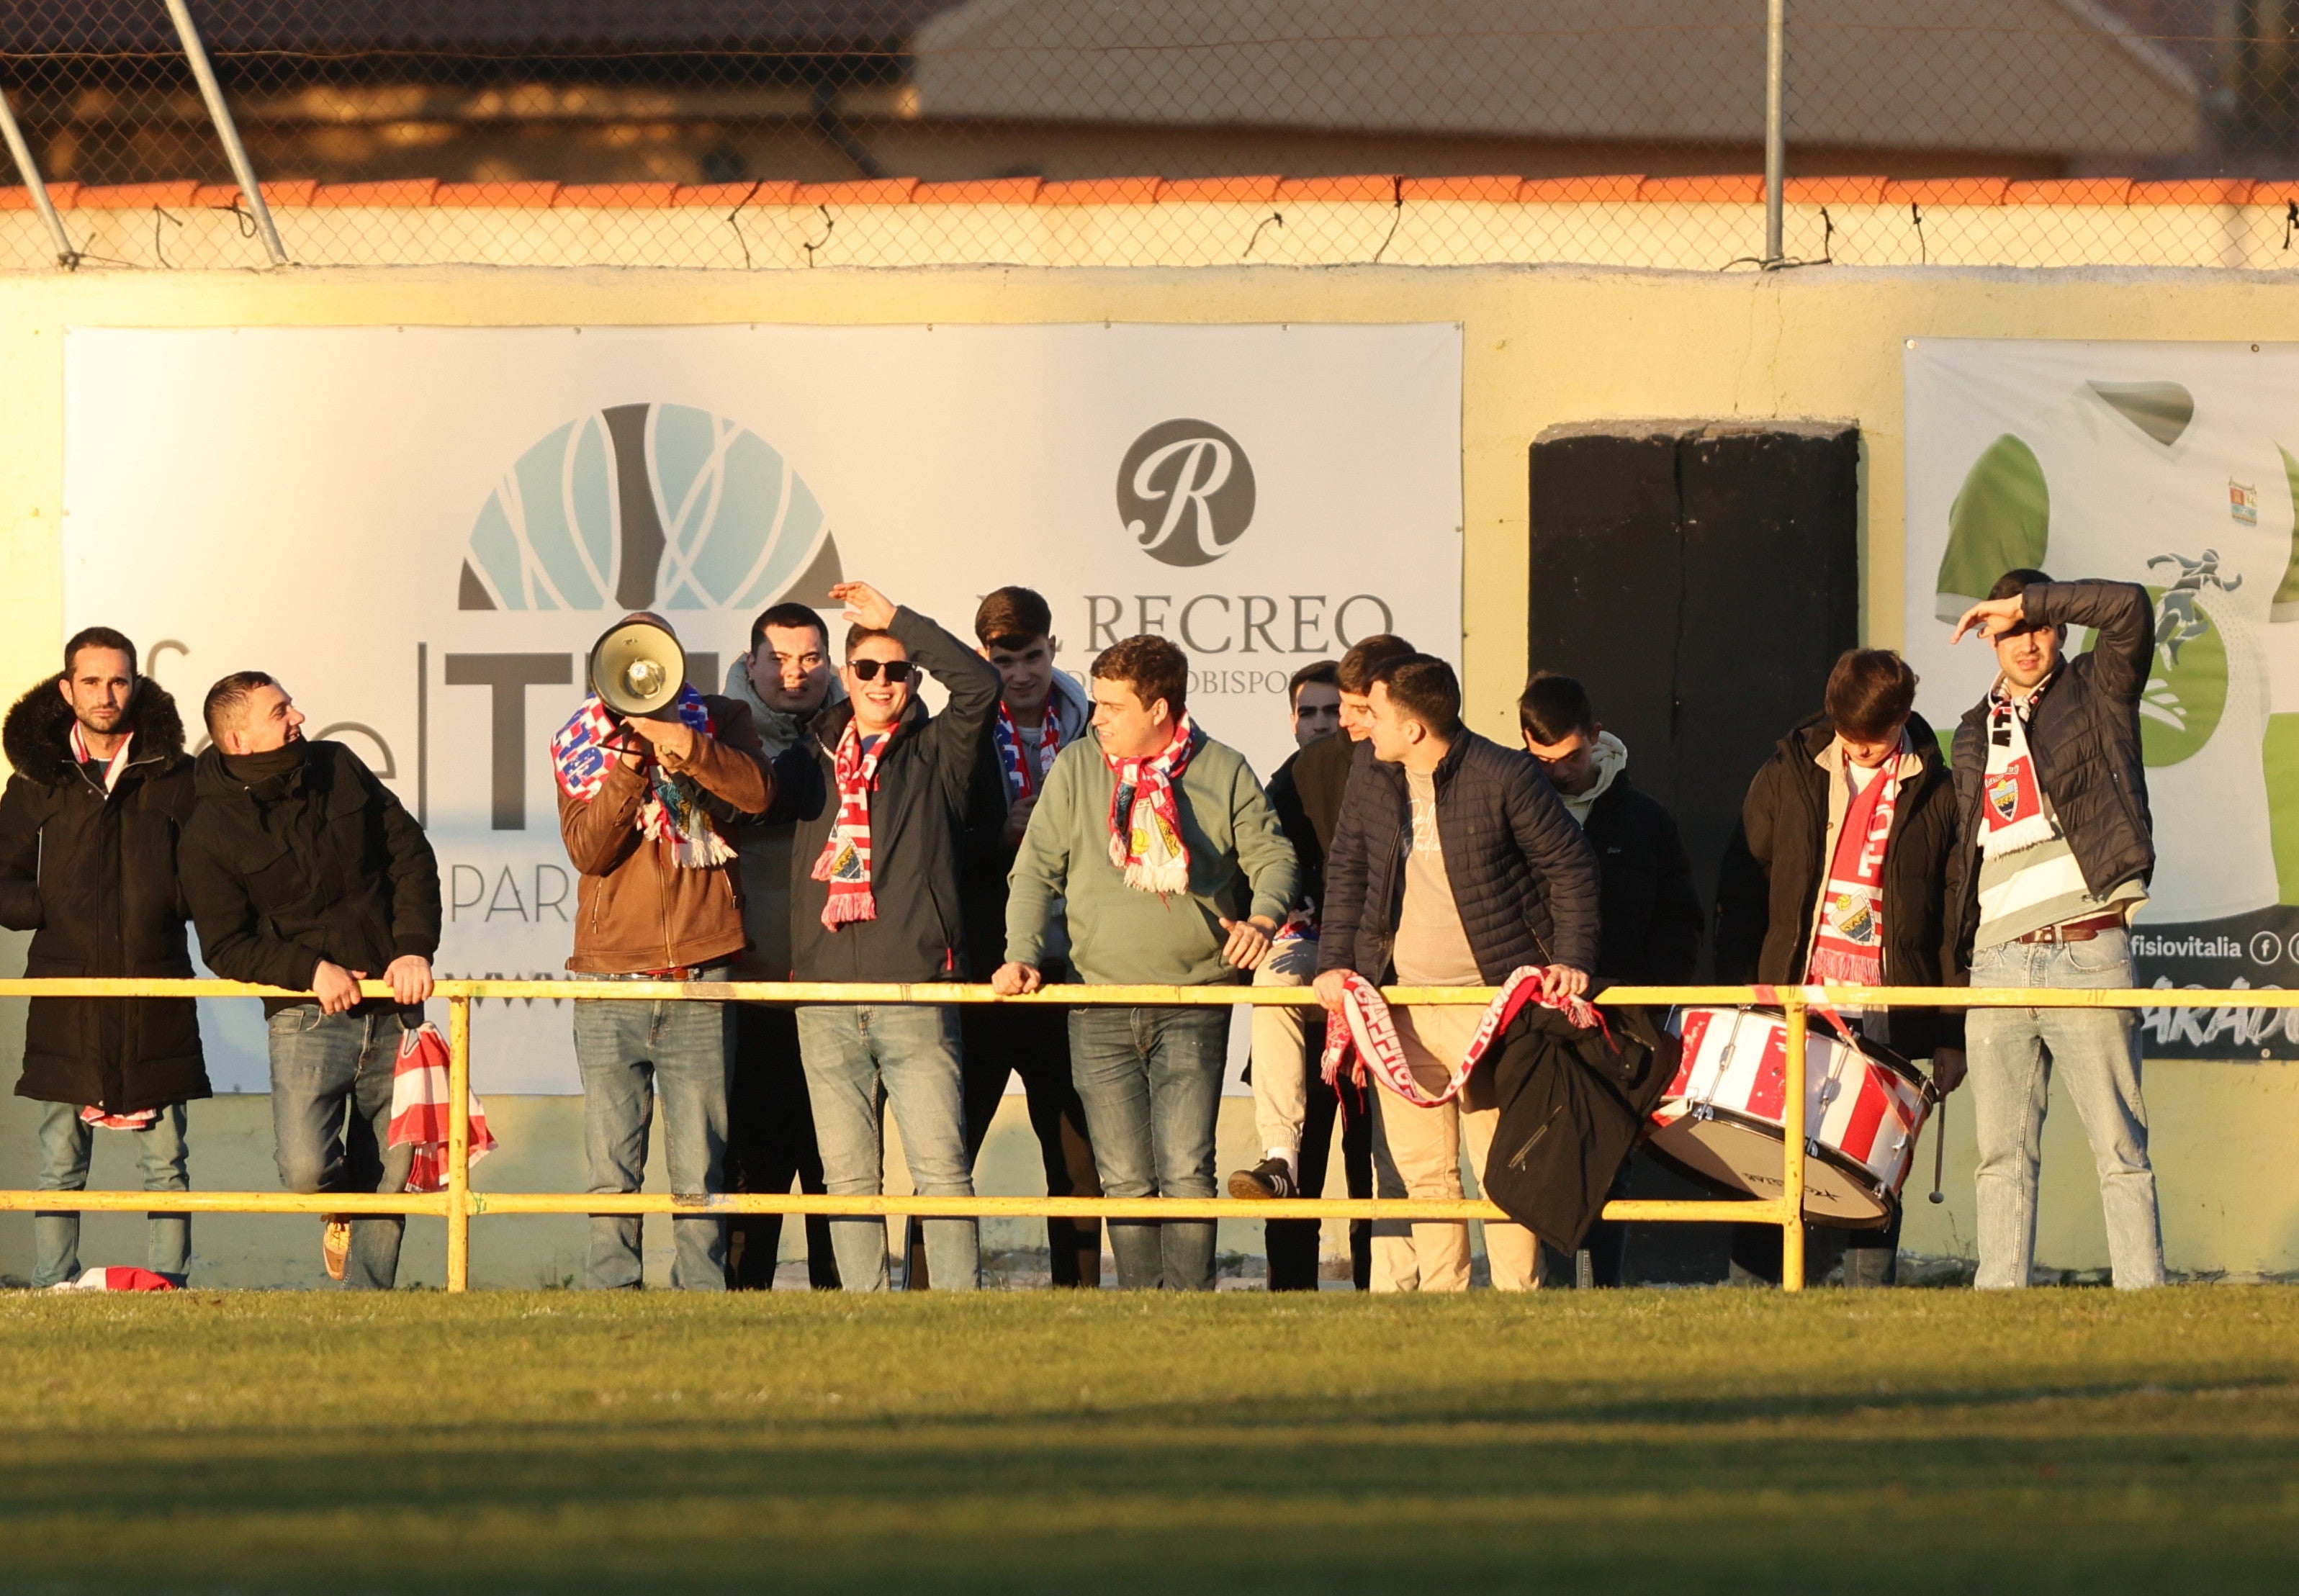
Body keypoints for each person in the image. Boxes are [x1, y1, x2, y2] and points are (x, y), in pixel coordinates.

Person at [996, 634, 1299, 1291]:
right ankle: (1141, 1305)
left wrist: (1263, 918)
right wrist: (1020, 954)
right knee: (1125, 1175)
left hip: (1195, 999)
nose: (1095, 716)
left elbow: (1274, 858)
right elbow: (1034, 872)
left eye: (1111, 705)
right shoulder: (1077, 767)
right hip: (1095, 1000)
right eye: (1096, 703)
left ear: (1159, 709)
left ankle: (1189, 1305)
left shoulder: (1221, 768)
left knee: (1187, 1166)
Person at [1313, 653, 1600, 1293]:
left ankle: (1515, 1299)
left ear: (1413, 728)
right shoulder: (1369, 770)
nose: (1361, 724)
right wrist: (1335, 962)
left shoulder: (1505, 774)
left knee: (1500, 1164)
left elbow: (1572, 867)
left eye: (1375, 713)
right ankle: (1445, 1301)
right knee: (1423, 1170)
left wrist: (1572, 960)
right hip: (1397, 1004)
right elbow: (1347, 872)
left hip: (1490, 1005)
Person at [1714, 649, 1966, 1289]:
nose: (1857, 748)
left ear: (1904, 718)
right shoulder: (1788, 769)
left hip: (1888, 1007)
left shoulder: (1940, 789)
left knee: (1874, 1171)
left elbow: (1952, 920)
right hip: (1792, 998)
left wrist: (1948, 1031)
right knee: (1768, 1152)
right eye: (1846, 735)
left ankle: (1867, 1308)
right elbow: (1742, 885)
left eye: (1872, 740)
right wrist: (1738, 991)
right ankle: (1750, 1299)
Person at [774, 582, 1000, 1293]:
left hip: (914, 991)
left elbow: (981, 685)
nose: (880, 683)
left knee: (940, 1171)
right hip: (825, 997)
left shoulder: (938, 752)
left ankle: (959, 1312)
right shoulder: (810, 755)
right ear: (845, 676)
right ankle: (863, 1314)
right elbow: (748, 792)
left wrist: (898, 621)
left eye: (896, 670)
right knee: (846, 1179)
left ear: (914, 679)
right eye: (866, 669)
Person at [181, 671, 438, 1291]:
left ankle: (367, 1303)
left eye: (291, 703)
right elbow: (224, 944)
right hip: (307, 1020)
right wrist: (310, 971)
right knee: (303, 1168)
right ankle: (336, 1204)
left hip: (393, 1005)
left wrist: (412, 950)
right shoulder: (206, 831)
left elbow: (410, 853)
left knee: (395, 1168)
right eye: (280, 710)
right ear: (240, 738)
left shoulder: (340, 765)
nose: (298, 715)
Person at [1946, 570, 2165, 1290]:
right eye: (2009, 632)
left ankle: (2144, 1302)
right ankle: (1999, 1310)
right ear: (1989, 642)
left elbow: (2129, 606)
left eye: (2037, 626)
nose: (2027, 642)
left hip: (2085, 946)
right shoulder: (1974, 727)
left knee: (2119, 1150)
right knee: (1999, 1156)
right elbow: (1963, 854)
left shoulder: (2098, 691)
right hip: (1997, 961)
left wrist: (2022, 601)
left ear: (2059, 627)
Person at [554, 612, 770, 1291]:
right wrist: (627, 767)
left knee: (699, 1159)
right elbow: (590, 850)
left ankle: (700, 1291)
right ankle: (612, 1288)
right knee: (611, 1159)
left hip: (700, 971)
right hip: (611, 976)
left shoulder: (723, 719)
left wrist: (688, 748)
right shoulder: (580, 741)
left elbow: (757, 797)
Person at [0, 628, 207, 1288]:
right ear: (67, 689)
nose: (105, 694)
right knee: (60, 1162)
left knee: (167, 1162)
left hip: (157, 985)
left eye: (118, 680)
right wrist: (48, 907)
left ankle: (170, 1284)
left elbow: (211, 872)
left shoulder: (177, 774)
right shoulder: (34, 779)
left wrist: (167, 899)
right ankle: (51, 1283)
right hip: (65, 989)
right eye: (91, 681)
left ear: (136, 684)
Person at [1519, 671, 1702, 1287]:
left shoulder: (1645, 820)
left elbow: (1680, 917)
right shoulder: (1509, 809)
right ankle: (1549, 1288)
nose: (1557, 771)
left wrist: (1642, 997)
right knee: (1546, 1155)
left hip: (1621, 1016)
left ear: (1595, 737)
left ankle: (1607, 1287)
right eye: (1541, 759)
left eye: (1569, 757)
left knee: (1612, 1158)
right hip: (1536, 1014)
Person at [956, 586, 1102, 1287]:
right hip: (984, 970)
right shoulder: (962, 732)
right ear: (985, 659)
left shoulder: (1095, 731)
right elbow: (937, 846)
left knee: (1076, 1157)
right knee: (947, 1156)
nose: (1019, 673)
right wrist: (1001, 838)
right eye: (1004, 659)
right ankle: (931, 1297)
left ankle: (1078, 1297)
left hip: (1069, 967)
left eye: (1032, 656)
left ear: (1054, 651)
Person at [1227, 659, 1375, 1291]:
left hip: (1372, 1003)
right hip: (1301, 1010)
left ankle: (1381, 1292)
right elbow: (1250, 875)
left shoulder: (1386, 775)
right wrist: (1279, 903)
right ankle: (1288, 1298)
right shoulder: (1277, 790)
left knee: (1373, 1168)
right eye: (1308, 712)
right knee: (1293, 1172)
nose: (1323, 723)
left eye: (1332, 709)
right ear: (1291, 721)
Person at [719, 601, 844, 1290]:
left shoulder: (864, 737)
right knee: (751, 1177)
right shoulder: (714, 738)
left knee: (842, 1170)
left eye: (810, 659)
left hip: (839, 989)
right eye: (779, 660)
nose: (794, 675)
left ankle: (847, 1315)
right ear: (750, 664)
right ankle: (739, 1320)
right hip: (753, 989)